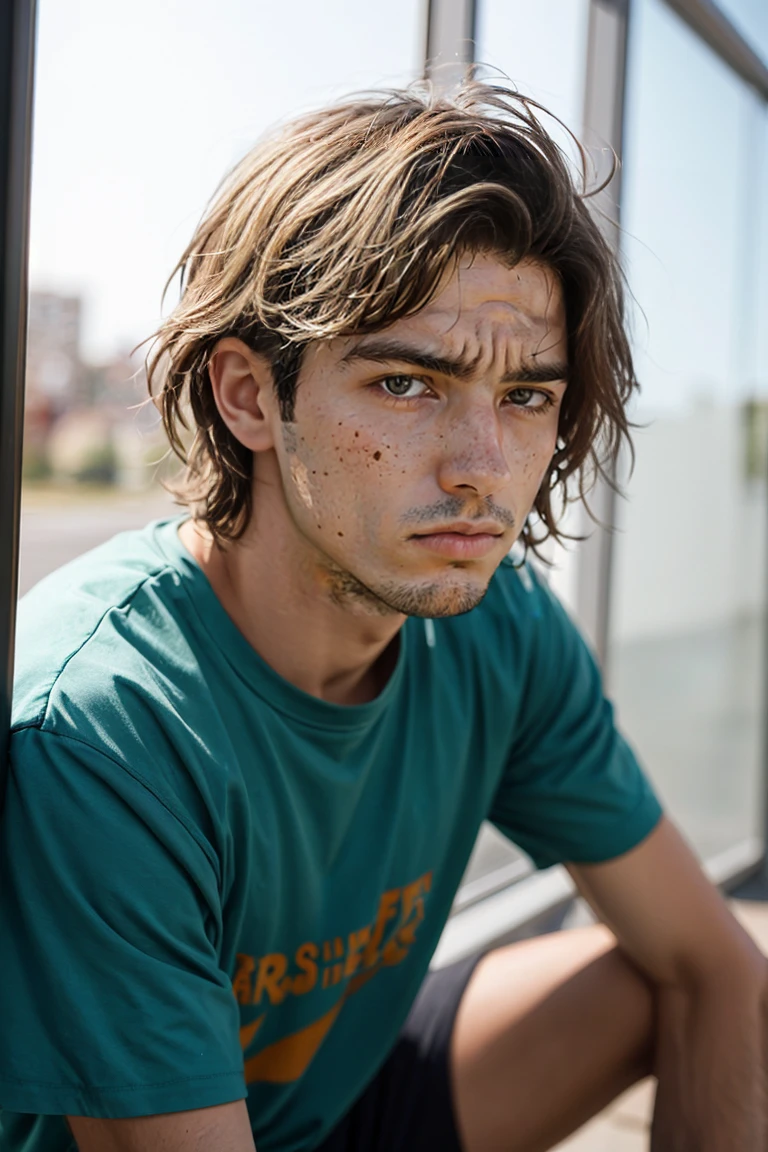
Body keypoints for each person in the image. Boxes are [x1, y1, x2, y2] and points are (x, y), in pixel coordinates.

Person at [0, 81, 765, 1152]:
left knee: (679, 976)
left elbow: (715, 966)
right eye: (408, 384)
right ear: (249, 397)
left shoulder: (496, 629)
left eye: (527, 397)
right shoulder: (101, 728)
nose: (481, 472)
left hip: (334, 1099)